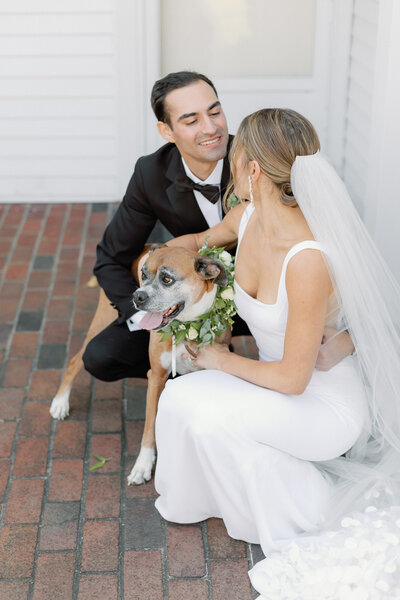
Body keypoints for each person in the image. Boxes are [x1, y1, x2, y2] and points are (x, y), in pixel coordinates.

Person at [154, 108, 400, 598]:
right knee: (182, 401)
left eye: (236, 154)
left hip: (320, 402)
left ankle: (307, 502)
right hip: (274, 380)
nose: (229, 162)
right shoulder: (246, 218)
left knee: (200, 409)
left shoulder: (307, 257)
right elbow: (197, 244)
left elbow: (293, 379)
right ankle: (208, 500)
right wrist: (154, 266)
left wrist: (219, 359)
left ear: (253, 169)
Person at [83, 72, 352, 382]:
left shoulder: (261, 158)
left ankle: (220, 373)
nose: (211, 128)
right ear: (167, 131)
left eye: (215, 112)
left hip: (259, 305)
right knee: (103, 357)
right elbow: (111, 258)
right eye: (191, 120)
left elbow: (344, 276)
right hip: (186, 298)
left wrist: (351, 340)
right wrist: (152, 307)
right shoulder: (151, 173)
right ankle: (187, 374)